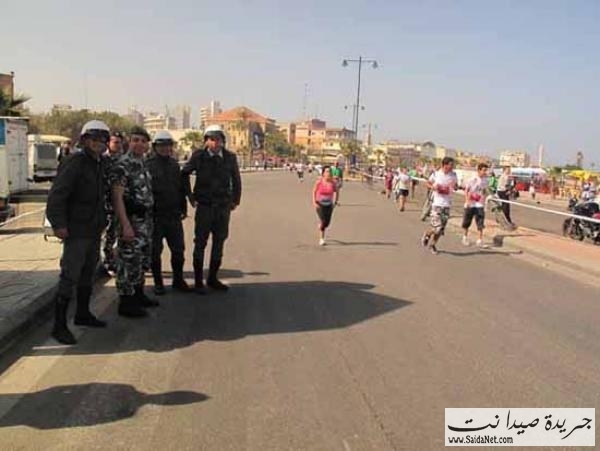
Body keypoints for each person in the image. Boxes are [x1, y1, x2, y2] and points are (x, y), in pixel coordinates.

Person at [46, 120, 110, 344]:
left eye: (102, 139)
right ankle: (59, 326)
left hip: (93, 229)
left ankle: (82, 313)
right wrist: (58, 225)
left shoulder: (100, 163)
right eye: (94, 139)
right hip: (76, 230)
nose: (98, 143)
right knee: (69, 276)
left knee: (88, 273)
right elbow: (57, 196)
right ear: (85, 140)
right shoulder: (75, 162)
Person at [181, 124, 242, 294]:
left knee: (219, 242)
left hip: (223, 207)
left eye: (218, 139)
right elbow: (184, 174)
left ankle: (213, 278)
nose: (215, 143)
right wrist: (190, 197)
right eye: (212, 139)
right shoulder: (199, 156)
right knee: (200, 243)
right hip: (205, 206)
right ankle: (198, 281)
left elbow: (236, 179)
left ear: (223, 141)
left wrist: (235, 200)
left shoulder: (230, 157)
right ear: (206, 141)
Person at [110, 126, 157, 317]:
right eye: (135, 140)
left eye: (143, 141)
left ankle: (138, 294)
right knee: (127, 260)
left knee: (140, 259)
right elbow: (117, 197)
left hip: (144, 221)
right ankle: (126, 302)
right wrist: (125, 225)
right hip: (130, 221)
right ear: (129, 142)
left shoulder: (143, 162)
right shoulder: (123, 165)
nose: (139, 144)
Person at [146, 131, 191, 295]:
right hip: (156, 216)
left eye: (167, 145)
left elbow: (180, 188)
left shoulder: (174, 165)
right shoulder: (148, 165)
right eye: (161, 145)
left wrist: (183, 208)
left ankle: (178, 280)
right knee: (155, 252)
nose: (165, 148)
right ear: (155, 147)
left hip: (173, 215)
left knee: (178, 250)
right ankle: (158, 283)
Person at [99, 131, 124, 276]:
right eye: (115, 142)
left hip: (123, 204)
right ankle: (107, 264)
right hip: (108, 205)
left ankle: (119, 262)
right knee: (108, 236)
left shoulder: (124, 160)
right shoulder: (102, 160)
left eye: (120, 142)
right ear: (108, 143)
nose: (118, 145)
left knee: (122, 235)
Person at [421, 157, 458, 254]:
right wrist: (433, 187)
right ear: (444, 165)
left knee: (441, 229)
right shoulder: (436, 174)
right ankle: (427, 234)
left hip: (447, 205)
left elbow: (456, 186)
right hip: (437, 204)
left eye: (453, 165)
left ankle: (433, 245)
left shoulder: (453, 175)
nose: (452, 167)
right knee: (437, 227)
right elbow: (428, 183)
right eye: (450, 165)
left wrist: (454, 187)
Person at [461, 163, 489, 248]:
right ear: (479, 170)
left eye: (486, 170)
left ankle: (479, 240)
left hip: (479, 204)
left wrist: (485, 196)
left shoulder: (485, 180)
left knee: (480, 222)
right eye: (483, 170)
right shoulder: (472, 179)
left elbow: (484, 190)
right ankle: (465, 237)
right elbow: (466, 190)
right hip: (471, 203)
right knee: (467, 221)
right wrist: (467, 201)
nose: (485, 172)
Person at [312, 165, 339, 246]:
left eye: (329, 171)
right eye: (327, 171)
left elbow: (337, 192)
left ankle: (321, 225)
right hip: (320, 204)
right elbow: (314, 191)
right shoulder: (319, 182)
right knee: (323, 221)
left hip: (329, 205)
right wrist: (314, 202)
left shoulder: (333, 183)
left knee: (327, 223)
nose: (328, 173)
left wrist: (335, 202)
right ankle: (321, 239)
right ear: (323, 173)